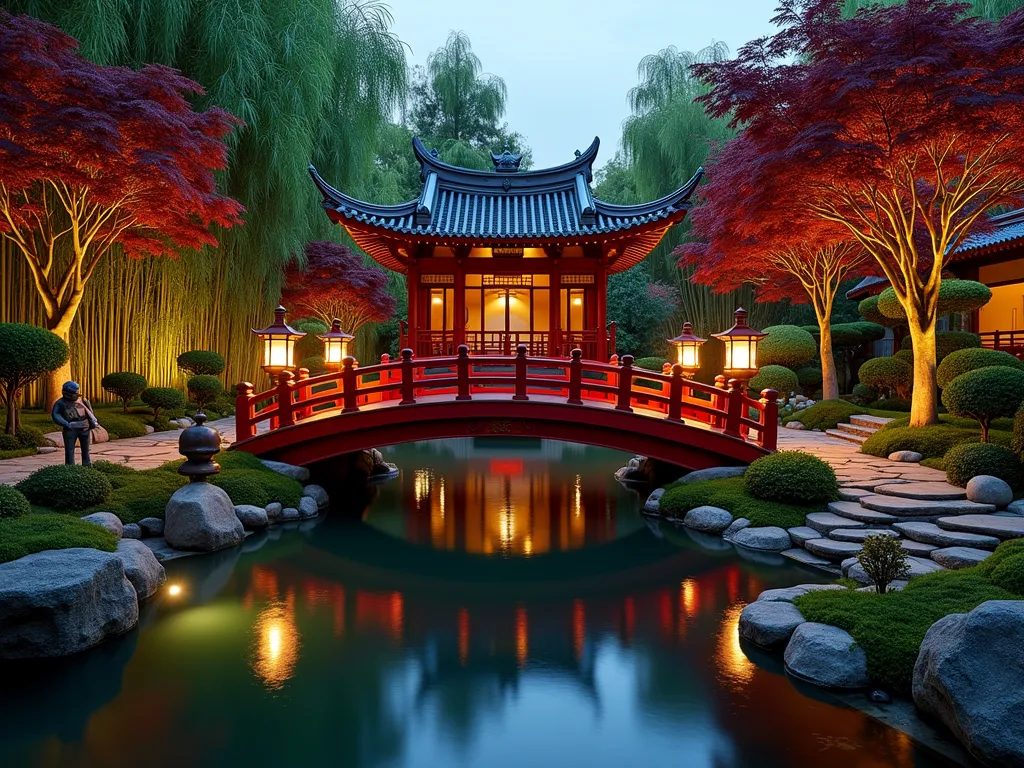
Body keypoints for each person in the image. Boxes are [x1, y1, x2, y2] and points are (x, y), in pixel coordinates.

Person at [51, 381, 98, 466]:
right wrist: (65, 423)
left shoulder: (81, 401)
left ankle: (86, 464)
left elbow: (89, 413)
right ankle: (70, 465)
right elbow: (55, 414)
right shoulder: (61, 403)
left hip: (84, 427)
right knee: (69, 449)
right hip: (70, 428)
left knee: (86, 448)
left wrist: (91, 423)